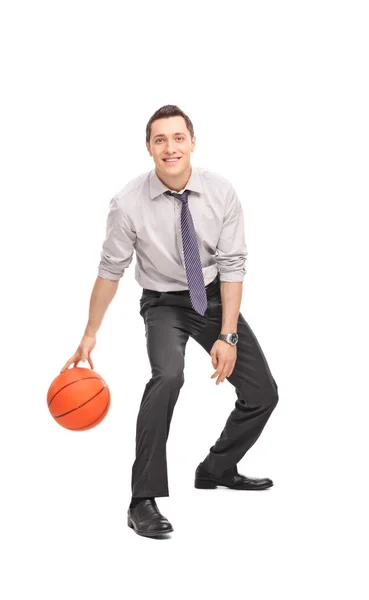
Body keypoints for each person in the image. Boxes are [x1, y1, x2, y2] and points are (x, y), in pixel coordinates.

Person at [61, 104, 279, 538]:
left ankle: (216, 468)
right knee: (168, 377)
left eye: (178, 137)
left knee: (263, 394)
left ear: (192, 142)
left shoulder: (221, 193)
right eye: (160, 139)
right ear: (148, 148)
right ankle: (142, 498)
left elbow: (233, 265)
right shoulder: (127, 203)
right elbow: (110, 270)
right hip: (163, 303)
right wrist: (89, 334)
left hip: (214, 298)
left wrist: (228, 334)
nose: (170, 147)